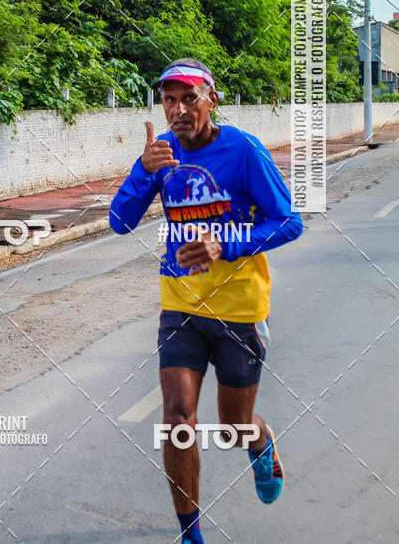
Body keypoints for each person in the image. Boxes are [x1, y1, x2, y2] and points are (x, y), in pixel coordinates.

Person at [109, 59, 303, 543]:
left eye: (188, 97)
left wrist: (226, 243)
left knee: (233, 425)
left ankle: (259, 442)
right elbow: (119, 221)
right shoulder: (161, 153)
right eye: (169, 99)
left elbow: (287, 222)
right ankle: (191, 533)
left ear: (211, 99)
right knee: (176, 418)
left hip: (239, 309)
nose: (177, 109)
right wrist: (141, 171)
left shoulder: (243, 151)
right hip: (180, 306)